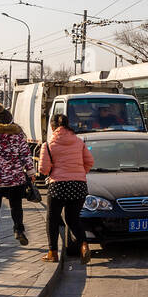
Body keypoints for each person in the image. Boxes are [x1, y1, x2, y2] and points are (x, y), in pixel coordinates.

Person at [39, 113, 95, 263]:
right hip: (78, 185)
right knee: (73, 219)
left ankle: (52, 252)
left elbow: (43, 169)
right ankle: (84, 246)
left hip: (58, 185)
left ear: (52, 127)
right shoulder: (79, 142)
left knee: (52, 219)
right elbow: (90, 161)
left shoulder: (48, 145)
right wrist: (79, 173)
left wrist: (51, 170)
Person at [0, 103, 32, 249]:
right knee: (16, 207)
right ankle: (19, 230)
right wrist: (31, 172)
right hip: (15, 178)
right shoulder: (18, 136)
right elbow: (25, 155)